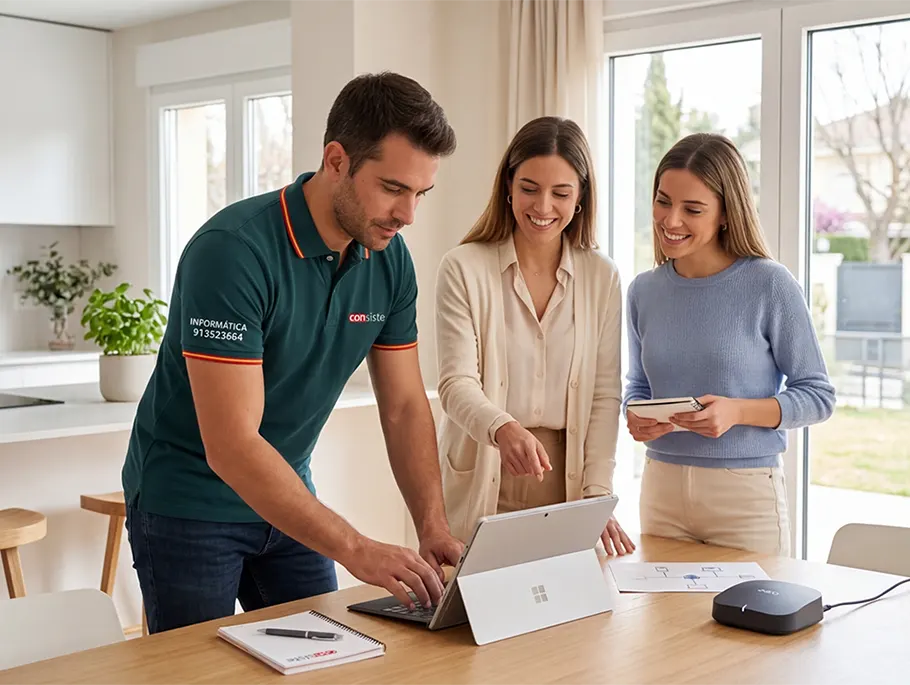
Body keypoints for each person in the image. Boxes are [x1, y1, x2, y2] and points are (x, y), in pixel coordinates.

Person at [122, 72, 464, 633]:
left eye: (420, 194)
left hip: (288, 496)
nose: (407, 215)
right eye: (393, 188)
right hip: (188, 501)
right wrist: (356, 548)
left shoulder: (389, 260)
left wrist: (432, 525)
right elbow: (232, 445)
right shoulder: (232, 252)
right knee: (199, 670)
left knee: (329, 655)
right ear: (336, 161)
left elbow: (404, 406)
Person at [624, 132, 836, 556]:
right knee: (658, 604)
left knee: (751, 602)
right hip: (661, 487)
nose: (671, 220)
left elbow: (818, 396)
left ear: (725, 214)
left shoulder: (769, 284)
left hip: (744, 498)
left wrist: (737, 412)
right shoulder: (643, 290)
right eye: (663, 201)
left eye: (692, 209)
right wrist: (635, 414)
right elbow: (639, 386)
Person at [434, 116, 635, 556]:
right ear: (508, 186)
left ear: (580, 197)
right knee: (474, 597)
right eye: (529, 188)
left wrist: (597, 492)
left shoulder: (601, 276)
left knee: (566, 597)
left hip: (566, 479)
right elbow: (455, 384)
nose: (543, 206)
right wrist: (502, 428)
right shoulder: (463, 267)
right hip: (486, 467)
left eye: (561, 193)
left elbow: (604, 394)